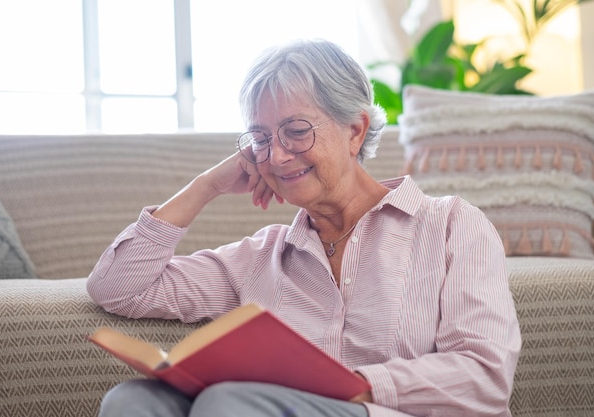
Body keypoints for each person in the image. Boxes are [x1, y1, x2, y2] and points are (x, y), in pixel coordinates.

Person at [87, 38, 521, 417]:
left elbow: (484, 377)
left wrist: (341, 385)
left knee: (230, 405)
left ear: (355, 130)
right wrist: (207, 186)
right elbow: (117, 287)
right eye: (260, 138)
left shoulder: (451, 225)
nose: (275, 157)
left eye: (295, 131)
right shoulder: (264, 256)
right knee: (133, 403)